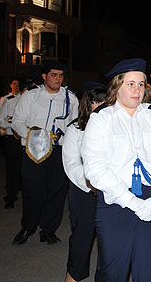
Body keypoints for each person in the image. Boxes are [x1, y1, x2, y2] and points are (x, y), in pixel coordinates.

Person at [81, 58, 151, 281]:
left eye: (141, 84)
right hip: (117, 202)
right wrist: (132, 202)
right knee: (113, 270)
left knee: (150, 270)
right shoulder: (101, 119)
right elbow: (95, 168)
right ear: (117, 86)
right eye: (131, 84)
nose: (137, 90)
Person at [11, 60, 79, 246]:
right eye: (53, 75)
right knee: (32, 190)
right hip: (34, 150)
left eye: (60, 75)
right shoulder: (31, 96)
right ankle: (28, 227)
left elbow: (75, 125)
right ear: (44, 76)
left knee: (56, 192)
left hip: (59, 151)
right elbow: (17, 121)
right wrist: (35, 135)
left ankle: (48, 229)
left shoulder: (70, 98)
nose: (57, 79)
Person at [62, 83, 106, 282]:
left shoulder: (114, 127)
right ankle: (73, 275)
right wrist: (91, 183)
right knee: (82, 236)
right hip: (84, 189)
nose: (101, 105)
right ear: (87, 104)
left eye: (104, 101)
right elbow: (71, 164)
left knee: (109, 240)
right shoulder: (75, 129)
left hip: (109, 190)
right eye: (96, 101)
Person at [0, 76, 22, 208]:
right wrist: (11, 124)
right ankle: (11, 196)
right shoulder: (6, 99)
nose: (16, 86)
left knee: (21, 167)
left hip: (23, 138)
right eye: (14, 84)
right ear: (10, 85)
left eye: (18, 84)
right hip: (11, 137)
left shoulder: (24, 98)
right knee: (12, 168)